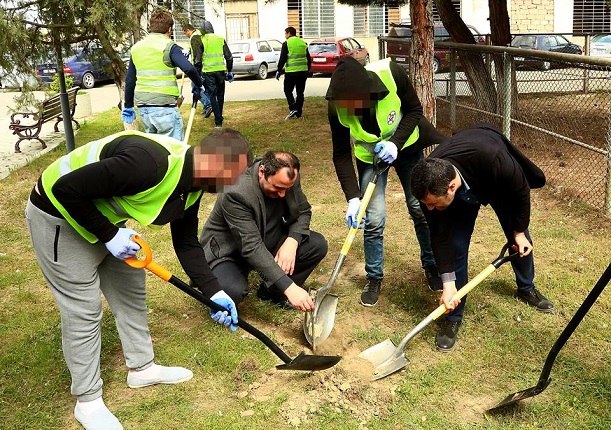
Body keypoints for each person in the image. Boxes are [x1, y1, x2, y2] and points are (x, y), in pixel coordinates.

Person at [25, 127, 253, 430]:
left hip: (105, 219)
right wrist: (108, 235)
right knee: (83, 311)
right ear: (211, 163)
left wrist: (214, 291)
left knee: (131, 293)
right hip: (58, 215)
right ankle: (88, 401)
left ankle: (141, 368)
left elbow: (185, 242)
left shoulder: (195, 182)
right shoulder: (149, 164)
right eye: (231, 175)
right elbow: (66, 189)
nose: (234, 183)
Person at [410, 123, 555, 352]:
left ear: (451, 186)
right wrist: (448, 284)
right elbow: (440, 238)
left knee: (519, 237)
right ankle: (453, 317)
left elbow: (520, 190)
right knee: (456, 246)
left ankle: (526, 288)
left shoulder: (494, 158)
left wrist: (518, 232)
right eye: (426, 204)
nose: (428, 209)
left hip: (494, 181)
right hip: (462, 186)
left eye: (432, 204)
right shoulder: (428, 186)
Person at [326, 55, 446, 307]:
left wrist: (395, 143)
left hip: (407, 148)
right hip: (370, 159)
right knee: (374, 218)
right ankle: (374, 276)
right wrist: (352, 198)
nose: (354, 109)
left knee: (419, 208)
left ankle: (432, 265)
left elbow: (414, 110)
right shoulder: (336, 105)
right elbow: (340, 153)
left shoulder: (391, 73)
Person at [199, 151, 328, 311]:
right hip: (231, 253)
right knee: (230, 293)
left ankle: (271, 292)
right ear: (262, 172)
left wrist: (292, 242)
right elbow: (251, 247)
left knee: (316, 245)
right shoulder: (235, 191)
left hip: (266, 238)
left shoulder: (288, 178)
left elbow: (303, 211)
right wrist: (291, 288)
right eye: (277, 188)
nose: (282, 194)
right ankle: (233, 280)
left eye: (287, 189)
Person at [122, 9, 205, 141]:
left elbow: (130, 79)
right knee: (172, 150)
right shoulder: (169, 46)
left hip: (144, 109)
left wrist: (128, 106)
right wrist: (199, 85)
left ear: (151, 27)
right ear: (169, 29)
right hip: (164, 107)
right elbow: (189, 69)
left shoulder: (137, 48)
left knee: (155, 150)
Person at [201, 20, 234, 128]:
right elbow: (229, 57)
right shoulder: (220, 39)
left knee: (212, 95)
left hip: (208, 71)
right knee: (220, 95)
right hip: (220, 71)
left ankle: (218, 120)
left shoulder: (201, 40)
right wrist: (229, 71)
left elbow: (197, 58)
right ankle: (219, 117)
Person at [276, 26, 311, 119]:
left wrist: (279, 70)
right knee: (300, 93)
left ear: (289, 33)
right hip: (303, 72)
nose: (285, 36)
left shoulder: (286, 43)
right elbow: (308, 58)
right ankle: (299, 112)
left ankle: (292, 108)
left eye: (285, 34)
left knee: (287, 90)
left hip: (291, 72)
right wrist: (308, 70)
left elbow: (282, 58)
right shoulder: (303, 43)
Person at [182, 23, 212, 117]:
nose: (185, 35)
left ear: (188, 30)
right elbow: (196, 49)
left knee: (195, 88)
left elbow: (198, 54)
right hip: (204, 66)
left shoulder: (194, 37)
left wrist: (196, 69)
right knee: (203, 88)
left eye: (185, 33)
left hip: (199, 67)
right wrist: (189, 52)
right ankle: (207, 106)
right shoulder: (199, 35)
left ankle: (208, 105)